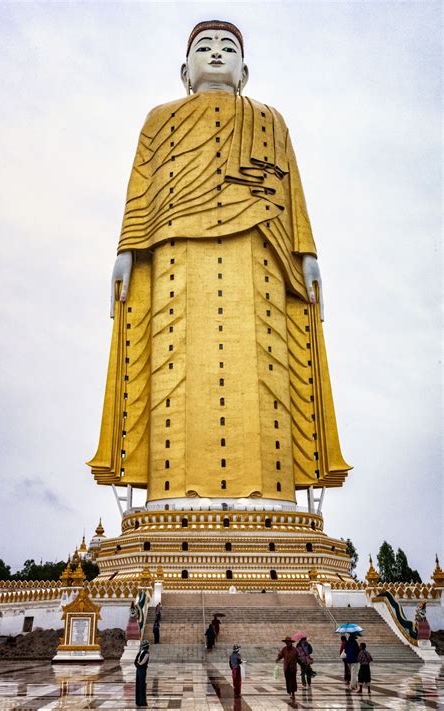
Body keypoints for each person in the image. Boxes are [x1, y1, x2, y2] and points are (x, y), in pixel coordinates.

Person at [88, 19, 351, 507]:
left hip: (261, 258)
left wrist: (308, 255)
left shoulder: (270, 119)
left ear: (244, 71)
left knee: (267, 376)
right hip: (176, 258)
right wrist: (125, 251)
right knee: (173, 374)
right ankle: (169, 499)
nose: (215, 53)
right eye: (204, 47)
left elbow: (293, 194)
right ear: (184, 70)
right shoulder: (158, 118)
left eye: (227, 47)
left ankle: (273, 500)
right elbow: (141, 189)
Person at [134, 640, 149, 707]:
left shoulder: (146, 653)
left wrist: (138, 665)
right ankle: (138, 701)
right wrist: (137, 665)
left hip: (142, 669)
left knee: (142, 685)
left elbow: (143, 662)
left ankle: (142, 701)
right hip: (139, 669)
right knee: (138, 684)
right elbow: (136, 660)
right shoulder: (140, 652)